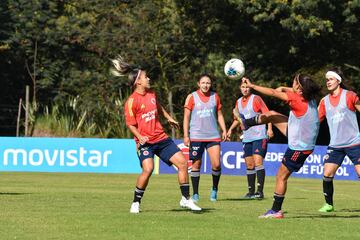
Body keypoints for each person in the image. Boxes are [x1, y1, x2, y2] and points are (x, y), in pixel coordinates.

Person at [111, 55, 201, 213]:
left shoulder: (152, 94)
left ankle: (186, 199)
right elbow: (130, 124)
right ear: (138, 81)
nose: (148, 78)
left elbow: (157, 106)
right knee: (148, 169)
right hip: (145, 143)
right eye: (146, 77)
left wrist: (168, 117)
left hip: (162, 139)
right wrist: (140, 137)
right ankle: (136, 202)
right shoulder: (131, 101)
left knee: (183, 164)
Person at [234, 74, 321, 218]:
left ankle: (276, 211)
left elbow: (274, 93)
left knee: (281, 176)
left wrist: (252, 86)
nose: (291, 83)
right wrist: (284, 88)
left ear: (299, 88)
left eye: (294, 82)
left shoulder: (296, 99)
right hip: (298, 134)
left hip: (299, 147)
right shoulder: (309, 97)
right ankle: (246, 122)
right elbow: (288, 91)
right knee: (272, 114)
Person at [317, 68, 360, 212]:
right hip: (335, 145)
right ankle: (328, 204)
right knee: (327, 173)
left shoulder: (350, 96)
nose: (328, 82)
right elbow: (315, 121)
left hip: (354, 142)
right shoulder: (324, 101)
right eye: (327, 80)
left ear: (338, 81)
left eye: (330, 79)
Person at [183, 74, 227, 202]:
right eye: (203, 83)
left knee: (217, 164)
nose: (206, 85)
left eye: (208, 83)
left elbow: (219, 115)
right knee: (196, 165)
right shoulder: (191, 97)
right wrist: (186, 135)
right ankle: (195, 193)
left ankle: (214, 189)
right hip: (196, 136)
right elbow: (186, 117)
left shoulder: (215, 96)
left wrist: (224, 129)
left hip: (213, 136)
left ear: (211, 84)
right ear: (198, 84)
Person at [227, 81, 273, 200]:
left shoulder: (256, 99)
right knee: (249, 164)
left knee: (258, 162)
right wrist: (230, 130)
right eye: (243, 87)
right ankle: (251, 192)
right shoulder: (238, 102)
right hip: (247, 137)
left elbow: (267, 114)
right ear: (240, 88)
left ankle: (260, 192)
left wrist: (270, 128)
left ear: (250, 88)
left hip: (259, 135)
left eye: (247, 87)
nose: (245, 89)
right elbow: (238, 119)